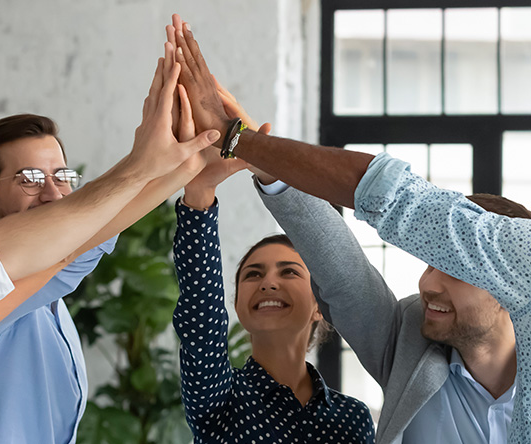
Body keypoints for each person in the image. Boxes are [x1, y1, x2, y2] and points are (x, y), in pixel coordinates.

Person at [168, 14, 531, 443]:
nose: (427, 282)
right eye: (252, 273)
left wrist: (247, 144)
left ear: (507, 284)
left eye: (451, 266)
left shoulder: (349, 418)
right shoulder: (410, 347)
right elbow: (341, 271)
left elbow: (394, 198)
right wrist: (254, 155)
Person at [0, 50, 218, 444]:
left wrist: (189, 163)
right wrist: (167, 162)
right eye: (30, 178)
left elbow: (81, 237)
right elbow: (79, 242)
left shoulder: (41, 306)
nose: (53, 193)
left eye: (62, 176)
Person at [169, 64, 375, 443]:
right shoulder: (220, 399)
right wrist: (199, 191)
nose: (268, 282)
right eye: (253, 274)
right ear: (236, 303)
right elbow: (201, 315)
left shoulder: (352, 420)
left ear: (320, 304)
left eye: (289, 272)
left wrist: (259, 151)